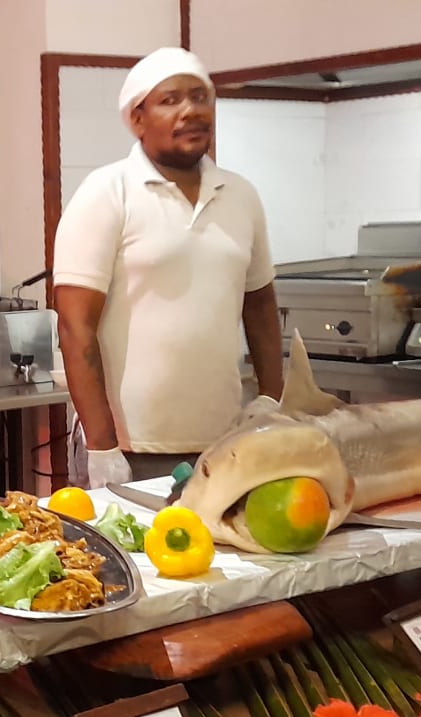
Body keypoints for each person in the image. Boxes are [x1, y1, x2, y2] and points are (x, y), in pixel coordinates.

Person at [53, 47, 284, 489]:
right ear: (138, 118)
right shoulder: (107, 191)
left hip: (224, 443)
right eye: (170, 100)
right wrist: (102, 447)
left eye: (200, 97)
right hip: (130, 446)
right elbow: (75, 324)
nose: (191, 111)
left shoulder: (241, 195)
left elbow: (259, 306)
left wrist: (271, 401)